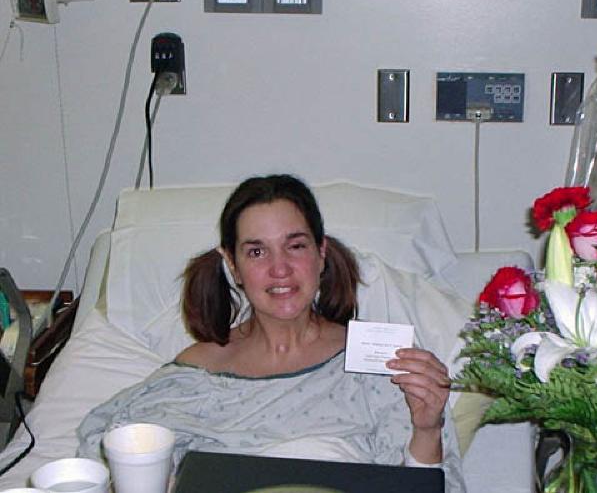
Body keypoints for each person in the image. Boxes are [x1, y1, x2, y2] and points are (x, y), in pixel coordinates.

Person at [77, 174, 464, 491]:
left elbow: (420, 487)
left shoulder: (379, 363)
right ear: (232, 265)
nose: (280, 269)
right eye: (257, 252)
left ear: (321, 252)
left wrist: (427, 428)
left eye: (295, 246)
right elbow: (112, 452)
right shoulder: (195, 374)